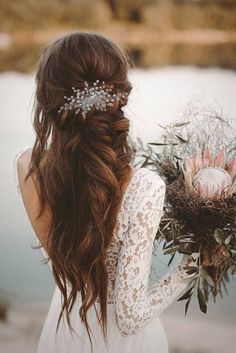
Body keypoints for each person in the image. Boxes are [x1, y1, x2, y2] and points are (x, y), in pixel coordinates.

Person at [14, 31, 196, 353]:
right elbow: (129, 316)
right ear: (118, 97)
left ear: (49, 102)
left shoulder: (28, 167)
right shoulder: (144, 187)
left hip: (65, 329)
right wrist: (191, 265)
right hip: (123, 344)